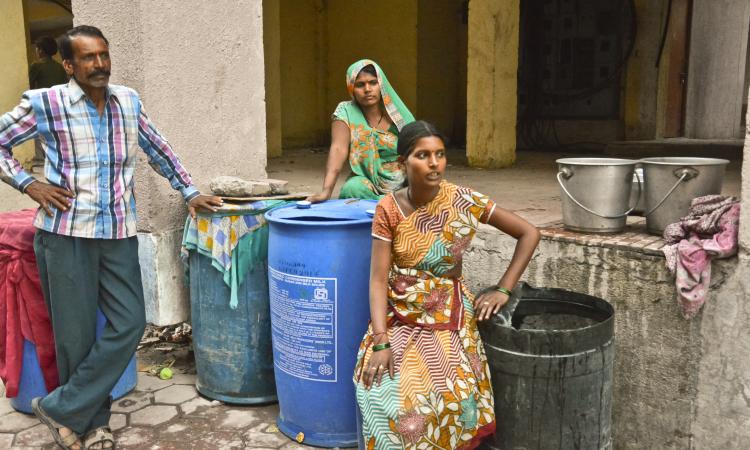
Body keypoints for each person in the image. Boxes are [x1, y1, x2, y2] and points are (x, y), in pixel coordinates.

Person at [0, 25, 222, 450]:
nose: (99, 64)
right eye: (88, 58)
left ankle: (60, 406)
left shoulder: (128, 101)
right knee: (76, 338)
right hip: (66, 235)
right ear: (68, 65)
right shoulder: (46, 103)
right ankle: (89, 425)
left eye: (103, 55)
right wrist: (29, 185)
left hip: (118, 232)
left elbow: (158, 148)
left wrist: (189, 190)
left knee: (129, 322)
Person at [353, 121, 541, 449]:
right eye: (423, 155)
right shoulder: (388, 208)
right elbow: (379, 279)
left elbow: (529, 233)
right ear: (402, 164)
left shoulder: (463, 200)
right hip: (402, 312)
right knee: (381, 390)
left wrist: (503, 289)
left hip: (449, 315)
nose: (434, 163)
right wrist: (381, 341)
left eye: (439, 154)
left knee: (451, 395)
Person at [307, 59, 415, 203]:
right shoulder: (345, 112)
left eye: (373, 82)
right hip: (367, 181)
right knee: (352, 189)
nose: (367, 89)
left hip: (401, 180)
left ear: (381, 85)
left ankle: (389, 203)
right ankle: (389, 205)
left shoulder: (395, 114)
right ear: (351, 88)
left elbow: (419, 149)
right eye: (360, 85)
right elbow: (338, 149)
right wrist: (326, 192)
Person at [28, 36, 69, 163]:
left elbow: (29, 84)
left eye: (37, 48)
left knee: (39, 133)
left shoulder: (36, 66)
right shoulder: (59, 67)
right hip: (59, 105)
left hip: (42, 104)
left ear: (41, 50)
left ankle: (42, 159)